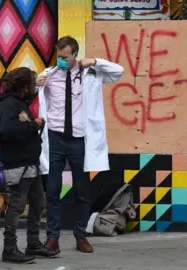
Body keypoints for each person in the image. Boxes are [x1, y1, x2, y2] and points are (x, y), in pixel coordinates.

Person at [36, 36, 125, 253]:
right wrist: (34, 85)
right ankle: (52, 238)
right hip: (55, 138)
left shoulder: (91, 74)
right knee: (53, 190)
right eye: (59, 57)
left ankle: (80, 235)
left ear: (76, 54)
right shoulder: (49, 75)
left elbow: (118, 71)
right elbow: (31, 93)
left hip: (79, 140)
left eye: (66, 57)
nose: (62, 61)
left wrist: (94, 61)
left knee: (82, 190)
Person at [0, 67, 59, 264]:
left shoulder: (18, 102)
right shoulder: (9, 104)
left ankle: (33, 243)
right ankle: (9, 248)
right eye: (32, 84)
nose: (34, 88)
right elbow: (6, 130)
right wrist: (34, 125)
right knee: (16, 205)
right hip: (19, 165)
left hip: (30, 164)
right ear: (25, 88)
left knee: (38, 202)